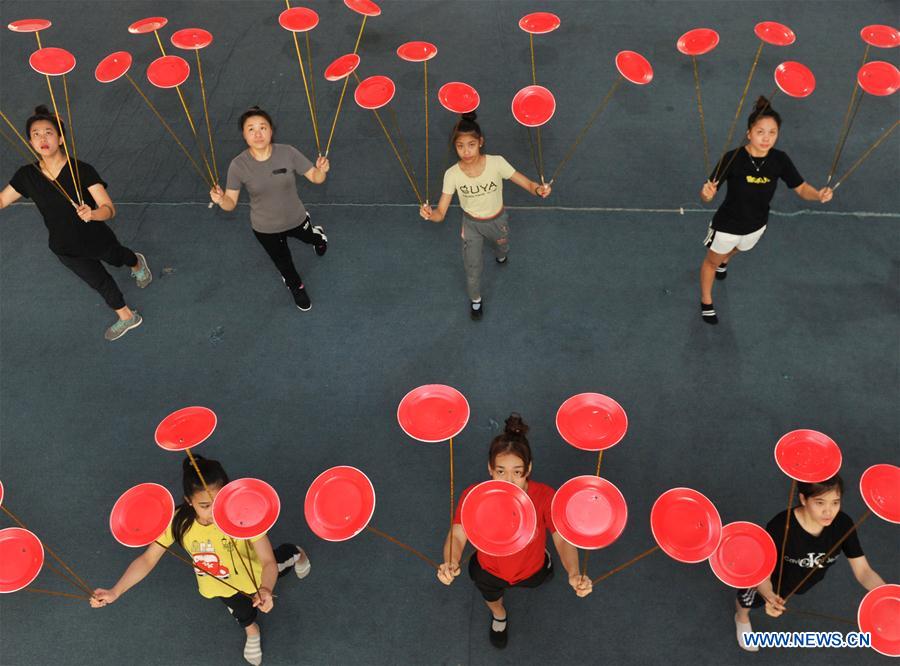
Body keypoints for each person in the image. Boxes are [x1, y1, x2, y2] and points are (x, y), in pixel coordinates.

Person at [91, 455, 311, 666]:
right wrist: (115, 591)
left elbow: (268, 562)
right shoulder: (178, 522)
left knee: (282, 560)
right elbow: (148, 559)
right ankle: (251, 630)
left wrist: (265, 588)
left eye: (218, 502)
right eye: (205, 506)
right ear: (189, 501)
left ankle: (296, 553)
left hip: (258, 575)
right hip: (219, 584)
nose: (214, 512)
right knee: (241, 612)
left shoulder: (243, 510)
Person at [436, 413, 592, 649]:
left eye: (517, 472)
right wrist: (451, 560)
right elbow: (458, 534)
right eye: (501, 471)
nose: (508, 480)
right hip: (488, 569)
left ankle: (544, 565)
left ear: (528, 468)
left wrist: (573, 571)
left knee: (540, 577)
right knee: (492, 597)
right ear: (490, 468)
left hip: (533, 569)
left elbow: (561, 538)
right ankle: (500, 617)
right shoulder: (473, 496)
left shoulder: (545, 495)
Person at [0, 105, 151, 340]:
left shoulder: (82, 170)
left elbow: (109, 209)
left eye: (48, 132)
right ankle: (127, 317)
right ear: (30, 142)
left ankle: (137, 263)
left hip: (96, 238)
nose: (42, 138)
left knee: (119, 258)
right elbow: (1, 199)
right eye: (36, 134)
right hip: (64, 247)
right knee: (99, 281)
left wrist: (93, 214)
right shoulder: (26, 175)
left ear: (60, 138)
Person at [699, 96, 833, 324]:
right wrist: (706, 194)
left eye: (772, 132)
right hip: (727, 225)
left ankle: (725, 260)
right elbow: (707, 194)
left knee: (737, 250)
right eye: (760, 132)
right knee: (712, 262)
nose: (766, 138)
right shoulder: (732, 158)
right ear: (749, 133)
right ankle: (706, 300)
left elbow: (801, 188)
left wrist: (818, 195)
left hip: (757, 224)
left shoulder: (780, 160)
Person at [732, 475, 886, 652]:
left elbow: (863, 571)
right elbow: (762, 570)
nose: (829, 511)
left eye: (835, 502)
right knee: (747, 600)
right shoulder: (781, 525)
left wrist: (885, 596)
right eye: (820, 503)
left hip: (801, 581)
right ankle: (741, 619)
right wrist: (768, 594)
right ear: (803, 499)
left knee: (790, 591)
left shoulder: (843, 524)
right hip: (768, 578)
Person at [419, 113, 551, 320]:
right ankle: (476, 300)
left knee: (502, 247)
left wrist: (538, 190)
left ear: (481, 142)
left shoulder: (497, 163)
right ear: (454, 147)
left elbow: (527, 183)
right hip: (471, 225)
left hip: (498, 221)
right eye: (460, 146)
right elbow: (441, 214)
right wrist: (429, 215)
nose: (466, 151)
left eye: (471, 144)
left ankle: (501, 253)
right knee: (472, 268)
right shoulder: (452, 174)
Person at [210, 106, 329, 312]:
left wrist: (322, 170)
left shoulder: (288, 153)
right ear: (244, 135)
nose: (258, 134)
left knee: (311, 237)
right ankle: (296, 286)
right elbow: (230, 203)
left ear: (271, 131)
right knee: (283, 262)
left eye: (262, 127)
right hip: (265, 228)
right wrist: (221, 200)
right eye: (251, 129)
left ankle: (318, 236)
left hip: (296, 218)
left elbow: (316, 178)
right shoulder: (238, 165)